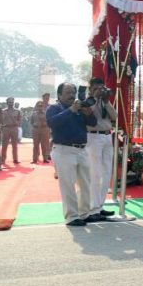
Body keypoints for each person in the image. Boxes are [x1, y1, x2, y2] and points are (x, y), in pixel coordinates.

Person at [47, 83, 100, 226]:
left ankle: (84, 214)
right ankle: (71, 216)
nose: (72, 95)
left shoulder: (80, 108)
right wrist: (71, 110)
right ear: (59, 95)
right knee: (68, 185)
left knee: (85, 184)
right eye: (68, 92)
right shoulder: (54, 108)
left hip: (82, 150)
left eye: (73, 92)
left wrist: (88, 112)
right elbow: (53, 123)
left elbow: (93, 123)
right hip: (63, 150)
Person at [85, 78, 117, 218]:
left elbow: (115, 116)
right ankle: (92, 208)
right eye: (97, 88)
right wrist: (95, 98)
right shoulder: (87, 101)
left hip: (107, 136)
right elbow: (87, 115)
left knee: (106, 173)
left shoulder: (105, 101)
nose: (100, 90)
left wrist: (105, 101)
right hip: (93, 137)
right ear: (91, 88)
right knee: (95, 173)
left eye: (102, 87)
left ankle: (100, 206)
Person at [1, 96, 22, 166]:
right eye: (9, 102)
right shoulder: (3, 111)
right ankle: (2, 160)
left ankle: (15, 159)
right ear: (7, 103)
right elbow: (0, 120)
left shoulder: (17, 111)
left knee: (15, 145)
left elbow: (19, 119)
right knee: (4, 145)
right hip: (6, 128)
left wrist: (17, 125)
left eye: (12, 102)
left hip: (14, 128)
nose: (11, 103)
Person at [31, 94, 52, 164]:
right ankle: (35, 158)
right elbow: (31, 121)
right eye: (39, 106)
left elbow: (50, 121)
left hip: (45, 129)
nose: (40, 107)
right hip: (36, 129)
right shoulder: (34, 113)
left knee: (45, 145)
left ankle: (45, 158)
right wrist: (35, 126)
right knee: (35, 145)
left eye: (41, 106)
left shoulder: (47, 112)